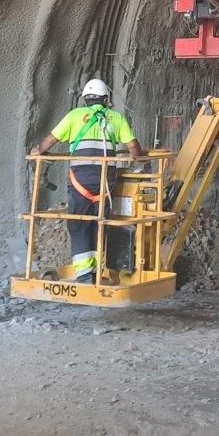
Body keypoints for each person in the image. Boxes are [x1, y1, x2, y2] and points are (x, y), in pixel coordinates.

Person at [31, 79, 144, 284]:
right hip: (106, 182)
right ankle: (99, 270)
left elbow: (50, 139)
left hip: (80, 181)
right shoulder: (116, 118)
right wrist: (142, 156)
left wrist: (38, 151)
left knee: (79, 224)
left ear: (85, 99)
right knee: (101, 223)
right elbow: (133, 146)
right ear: (106, 99)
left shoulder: (74, 116)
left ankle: (85, 275)